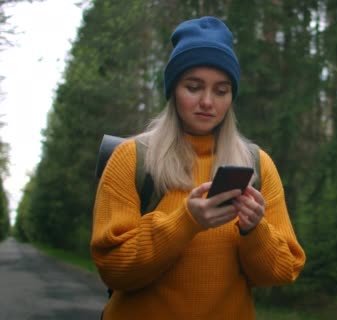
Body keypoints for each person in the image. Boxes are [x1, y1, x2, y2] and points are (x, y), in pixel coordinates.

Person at [90, 16, 306, 319]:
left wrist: (254, 229)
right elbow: (113, 269)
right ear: (173, 89)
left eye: (221, 91)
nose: (207, 101)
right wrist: (186, 221)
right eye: (193, 87)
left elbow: (283, 270)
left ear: (231, 96)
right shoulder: (132, 159)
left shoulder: (257, 165)